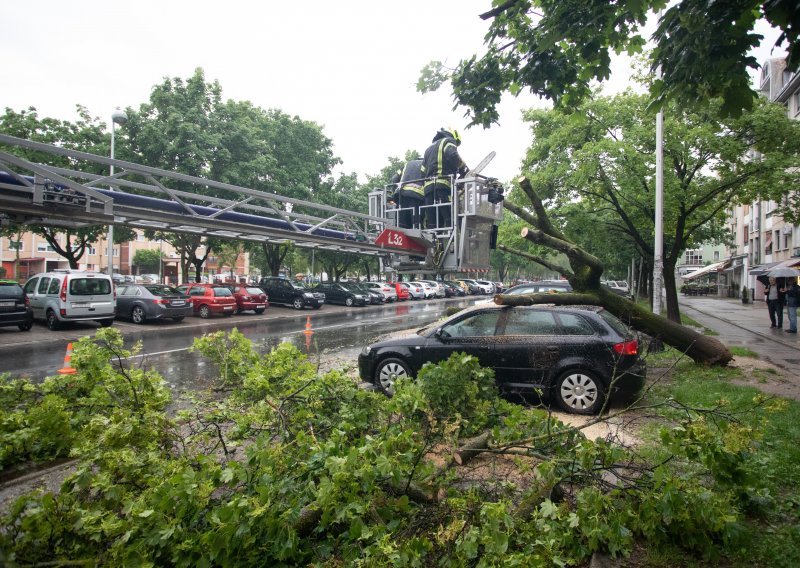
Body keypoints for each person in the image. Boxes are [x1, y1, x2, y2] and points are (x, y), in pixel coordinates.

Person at [421, 127, 468, 231]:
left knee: (433, 224)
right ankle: (452, 243)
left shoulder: (428, 149)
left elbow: (422, 171)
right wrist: (463, 168)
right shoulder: (449, 140)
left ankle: (437, 245)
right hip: (443, 186)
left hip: (428, 190)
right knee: (449, 219)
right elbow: (452, 154)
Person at [392, 159, 425, 229]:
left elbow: (394, 179)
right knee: (417, 226)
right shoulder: (426, 164)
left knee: (401, 225)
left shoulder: (407, 164)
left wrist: (394, 194)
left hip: (401, 195)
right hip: (417, 196)